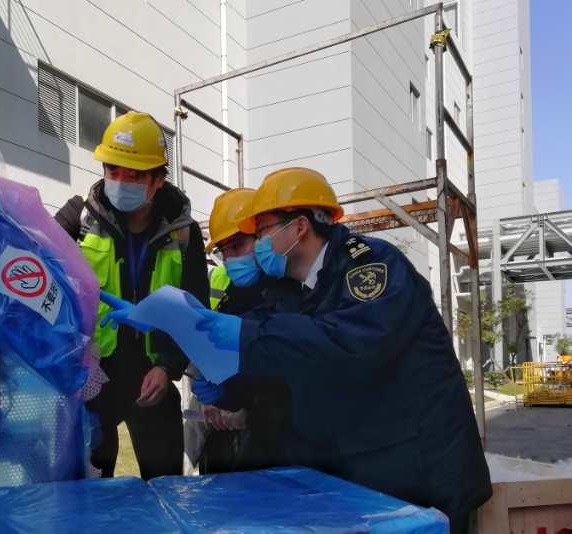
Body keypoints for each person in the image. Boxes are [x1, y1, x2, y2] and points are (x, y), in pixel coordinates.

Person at [156, 167, 491, 532]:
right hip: (374, 469)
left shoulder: (370, 265)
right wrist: (226, 384)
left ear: (299, 227)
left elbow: (348, 346)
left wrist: (245, 335)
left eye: (263, 230)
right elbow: (288, 363)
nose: (259, 243)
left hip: (422, 470)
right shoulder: (299, 288)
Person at [54, 111, 209, 480]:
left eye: (134, 175)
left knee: (166, 486)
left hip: (152, 377)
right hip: (92, 378)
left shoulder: (184, 233)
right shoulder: (79, 218)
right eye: (113, 170)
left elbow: (194, 308)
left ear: (158, 180)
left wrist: (168, 367)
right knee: (89, 487)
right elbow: (33, 257)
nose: (120, 181)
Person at [192, 188, 292, 474]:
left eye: (237, 246)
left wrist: (249, 411)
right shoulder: (235, 293)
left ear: (262, 237)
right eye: (224, 251)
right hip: (227, 437)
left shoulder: (290, 293)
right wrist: (218, 397)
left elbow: (289, 377)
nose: (230, 259)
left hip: (275, 450)